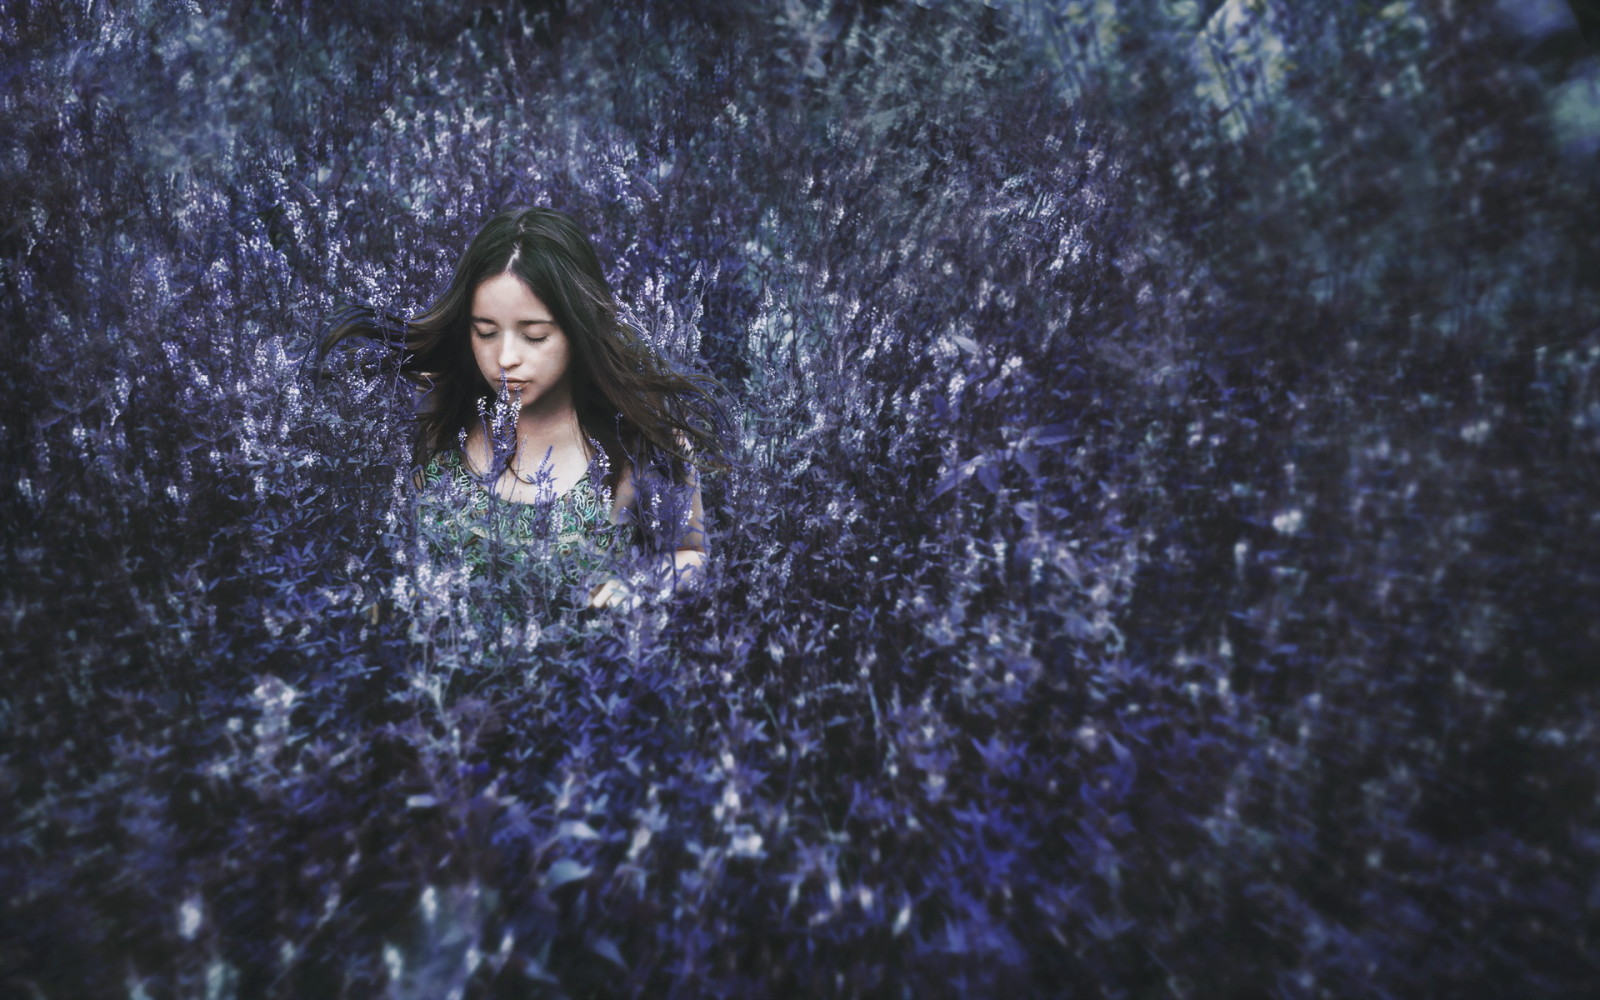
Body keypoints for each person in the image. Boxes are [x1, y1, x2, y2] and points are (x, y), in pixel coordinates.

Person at [320, 207, 729, 610]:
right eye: (486, 332)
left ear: (579, 328)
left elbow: (691, 553)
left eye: (534, 336)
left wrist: (637, 588)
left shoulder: (639, 442)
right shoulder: (437, 412)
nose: (505, 357)